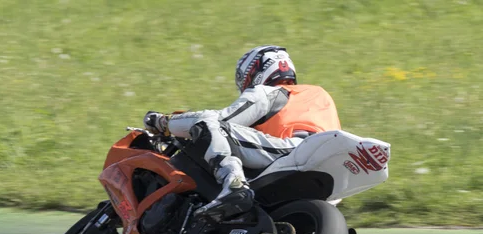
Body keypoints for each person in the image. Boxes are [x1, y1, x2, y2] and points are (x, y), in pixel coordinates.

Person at [143, 45, 341, 221]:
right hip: (326, 167)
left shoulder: (270, 92)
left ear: (256, 71)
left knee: (208, 124)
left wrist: (164, 122)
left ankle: (234, 186)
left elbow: (221, 120)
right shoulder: (319, 94)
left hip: (291, 150)